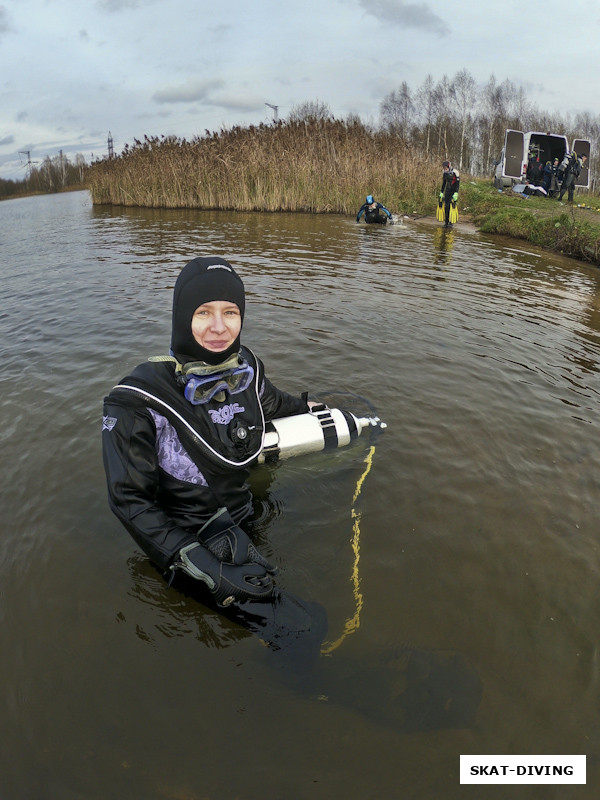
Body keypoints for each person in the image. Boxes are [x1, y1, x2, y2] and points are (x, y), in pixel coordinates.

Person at [102, 256, 314, 608]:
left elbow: (272, 402)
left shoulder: (247, 366)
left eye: (230, 312)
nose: (219, 327)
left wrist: (308, 407)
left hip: (247, 517)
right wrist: (201, 565)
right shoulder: (135, 400)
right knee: (301, 630)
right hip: (188, 546)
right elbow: (128, 500)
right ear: (182, 317)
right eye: (204, 312)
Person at [439, 160, 460, 227]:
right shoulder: (444, 173)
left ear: (449, 166)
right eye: (444, 168)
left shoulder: (455, 172)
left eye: (446, 168)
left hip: (453, 192)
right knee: (446, 206)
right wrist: (441, 192)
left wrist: (456, 192)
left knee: (452, 207)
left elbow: (457, 184)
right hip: (447, 191)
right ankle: (446, 221)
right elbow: (444, 183)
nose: (445, 169)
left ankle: (451, 222)